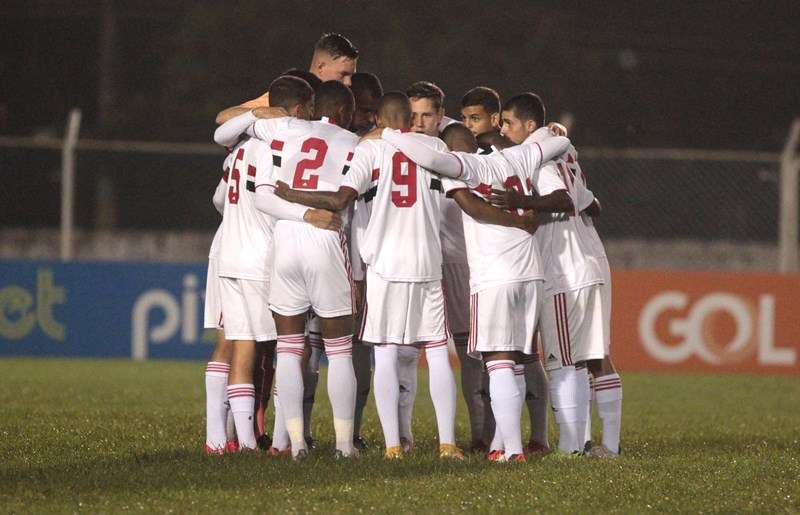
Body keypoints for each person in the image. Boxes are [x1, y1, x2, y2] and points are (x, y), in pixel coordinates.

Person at [274, 92, 464, 460]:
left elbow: (340, 199)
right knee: (437, 352)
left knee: (387, 354)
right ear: (409, 119)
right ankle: (447, 443)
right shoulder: (431, 145)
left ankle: (393, 446)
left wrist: (292, 193)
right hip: (427, 262)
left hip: (384, 266)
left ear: (378, 118)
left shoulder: (368, 151)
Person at [379, 122, 570, 461]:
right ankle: (499, 444)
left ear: (454, 150)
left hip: (494, 275)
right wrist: (551, 130)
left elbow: (435, 163)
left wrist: (390, 134)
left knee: (498, 364)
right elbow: (557, 143)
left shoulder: (467, 165)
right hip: (531, 272)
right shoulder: (517, 157)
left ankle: (511, 452)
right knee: (518, 363)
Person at [215, 77, 358, 459]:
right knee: (339, 350)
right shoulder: (354, 144)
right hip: (326, 240)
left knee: (290, 348)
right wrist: (314, 214)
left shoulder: (284, 128)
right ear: (344, 113)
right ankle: (344, 445)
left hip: (284, 244)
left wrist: (257, 112)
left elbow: (225, 137)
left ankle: (294, 446)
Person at [490, 92, 606, 456]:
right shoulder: (564, 150)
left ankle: (571, 448)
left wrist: (519, 202)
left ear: (528, 125)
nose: (502, 128)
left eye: (508, 122)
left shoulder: (538, 156)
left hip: (562, 269)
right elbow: (592, 204)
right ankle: (581, 444)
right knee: (576, 361)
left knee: (561, 362)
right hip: (589, 261)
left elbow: (561, 200)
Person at [215, 33, 359, 124]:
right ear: (321, 67)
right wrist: (259, 113)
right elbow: (224, 117)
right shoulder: (292, 92)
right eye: (343, 74)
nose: (348, 82)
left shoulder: (344, 101)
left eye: (351, 75)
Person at [203, 153, 239, 454]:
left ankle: (227, 435)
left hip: (234, 246)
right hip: (238, 251)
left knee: (241, 342)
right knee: (232, 340)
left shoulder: (238, 153)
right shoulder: (277, 147)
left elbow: (219, 199)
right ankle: (216, 439)